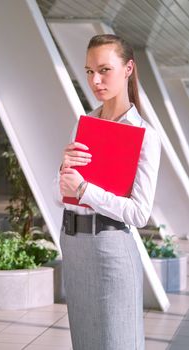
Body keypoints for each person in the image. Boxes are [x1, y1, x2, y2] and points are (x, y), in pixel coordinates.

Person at [53, 34, 161, 350]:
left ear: (128, 68)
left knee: (116, 342)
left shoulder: (144, 136)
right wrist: (63, 171)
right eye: (89, 71)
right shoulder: (84, 123)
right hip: (74, 247)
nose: (95, 80)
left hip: (110, 250)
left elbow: (139, 214)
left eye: (104, 70)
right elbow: (61, 195)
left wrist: (85, 189)